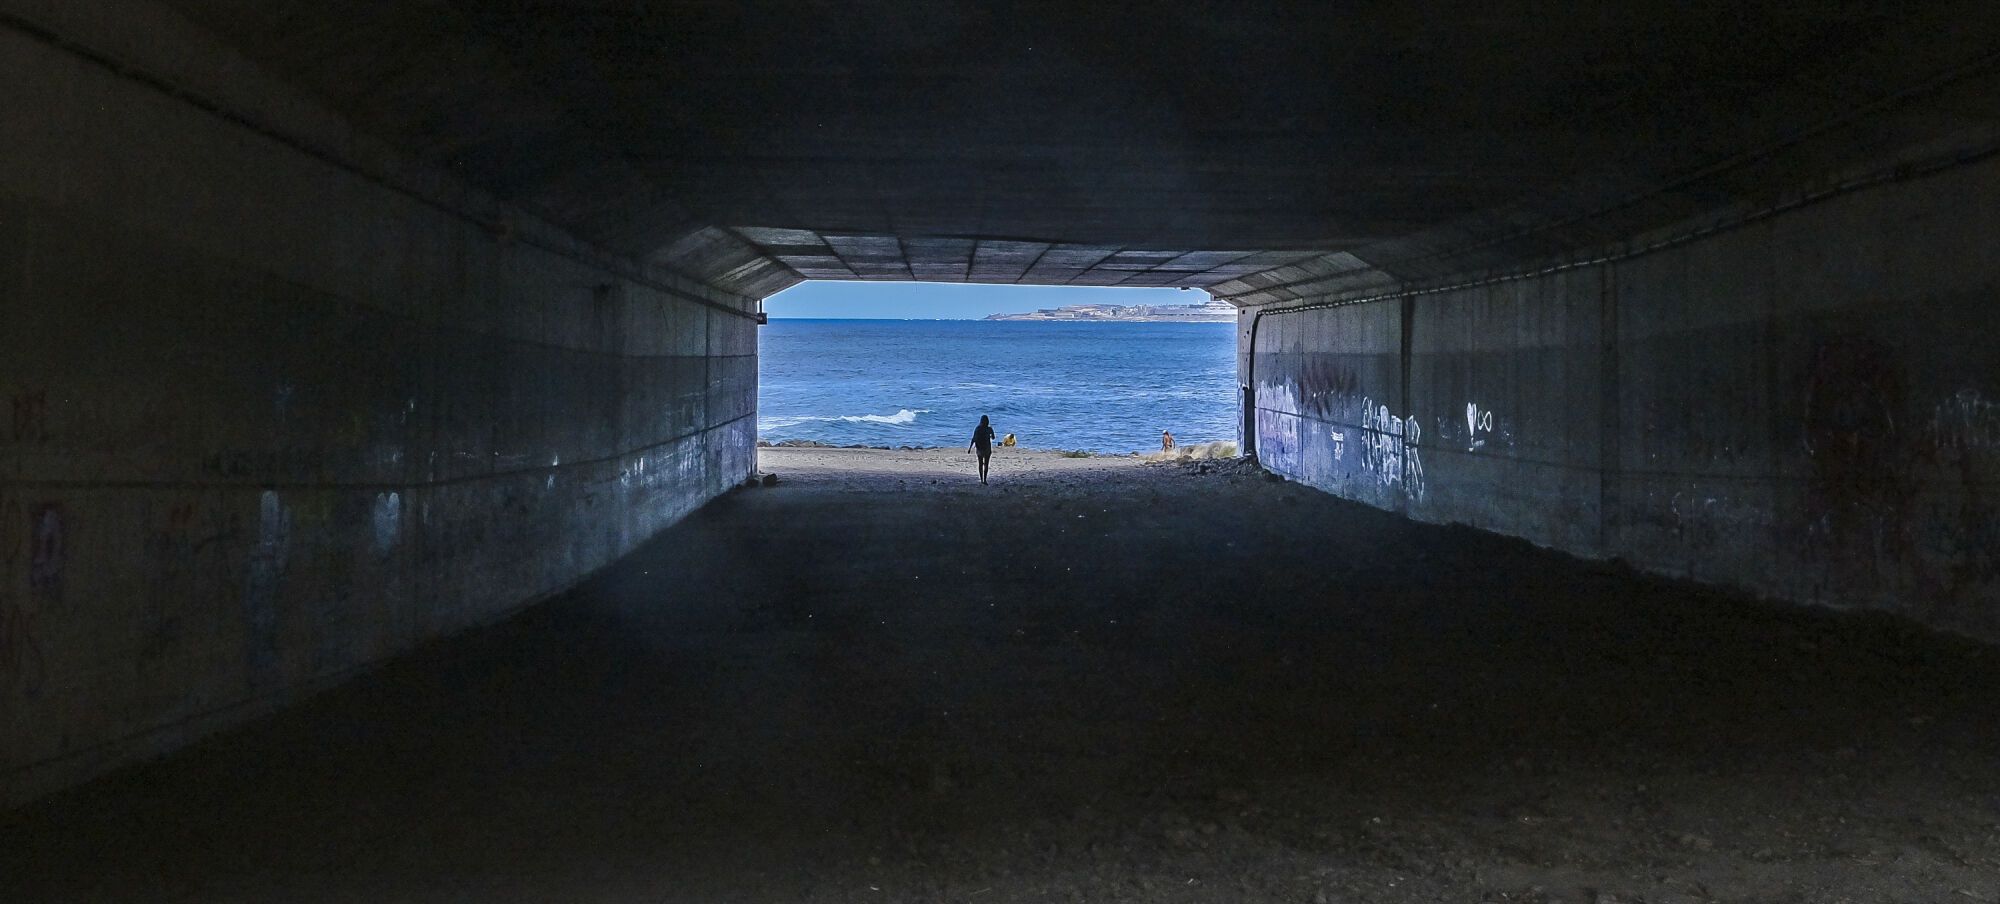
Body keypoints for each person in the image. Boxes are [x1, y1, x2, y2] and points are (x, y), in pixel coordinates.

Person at [969, 415, 996, 483]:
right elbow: (993, 437)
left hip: (979, 449)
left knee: (980, 464)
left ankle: (981, 480)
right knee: (986, 464)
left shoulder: (978, 428)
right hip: (987, 448)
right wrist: (989, 435)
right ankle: (985, 480)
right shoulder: (989, 428)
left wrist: (970, 448)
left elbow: (974, 438)